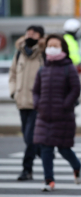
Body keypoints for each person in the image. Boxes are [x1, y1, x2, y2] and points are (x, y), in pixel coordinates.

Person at [32, 34, 81, 191]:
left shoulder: (69, 68)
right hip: (44, 117)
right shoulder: (43, 68)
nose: (52, 48)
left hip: (63, 117)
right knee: (45, 149)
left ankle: (77, 166)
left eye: (55, 45)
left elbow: (76, 89)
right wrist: (38, 104)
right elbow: (35, 90)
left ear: (62, 48)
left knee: (63, 149)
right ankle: (49, 180)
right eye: (50, 45)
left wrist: (65, 105)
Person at [8, 25, 45, 181]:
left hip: (37, 103)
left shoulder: (43, 54)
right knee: (27, 137)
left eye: (34, 33)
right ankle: (43, 151)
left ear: (40, 36)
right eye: (28, 33)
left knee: (30, 138)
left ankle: (26, 169)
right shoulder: (19, 54)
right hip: (22, 102)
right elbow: (13, 75)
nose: (30, 35)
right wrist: (14, 92)